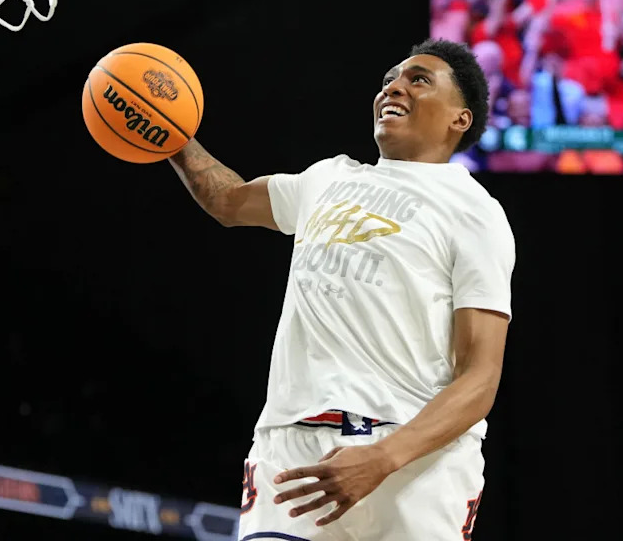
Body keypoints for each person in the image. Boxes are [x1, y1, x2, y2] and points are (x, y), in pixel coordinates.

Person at [169, 39, 515, 539]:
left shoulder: (475, 212)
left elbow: (480, 377)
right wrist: (171, 135)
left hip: (414, 461)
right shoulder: (327, 178)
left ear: (460, 119)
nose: (393, 87)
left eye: (419, 79)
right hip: (290, 443)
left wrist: (381, 459)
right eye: (389, 80)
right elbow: (225, 201)